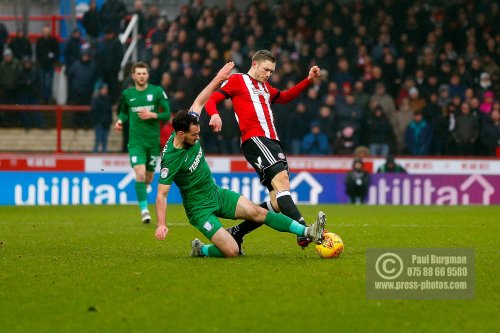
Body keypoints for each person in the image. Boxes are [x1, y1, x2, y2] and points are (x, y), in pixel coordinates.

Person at [155, 62, 326, 257]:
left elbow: (201, 100)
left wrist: (219, 78)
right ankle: (201, 250)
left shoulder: (190, 124)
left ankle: (306, 231)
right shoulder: (170, 158)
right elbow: (161, 194)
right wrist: (161, 224)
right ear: (179, 134)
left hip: (216, 194)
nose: (197, 138)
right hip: (199, 209)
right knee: (232, 251)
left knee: (258, 213)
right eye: (194, 135)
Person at [203, 49, 321, 249]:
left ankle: (237, 233)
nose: (268, 74)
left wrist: (307, 80)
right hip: (255, 139)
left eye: (272, 72)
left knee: (276, 200)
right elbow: (212, 99)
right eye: (266, 69)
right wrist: (214, 114)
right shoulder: (238, 80)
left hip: (272, 141)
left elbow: (284, 97)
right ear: (254, 63)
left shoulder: (265, 87)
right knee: (282, 182)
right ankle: (304, 230)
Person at [114, 62, 172, 223]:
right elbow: (124, 112)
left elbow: (167, 114)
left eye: (144, 73)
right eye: (138, 73)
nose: (141, 76)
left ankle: (145, 185)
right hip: (135, 142)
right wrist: (119, 121)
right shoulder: (127, 94)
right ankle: (144, 211)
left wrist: (153, 115)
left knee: (148, 178)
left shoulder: (157, 91)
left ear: (148, 75)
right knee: (139, 172)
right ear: (133, 76)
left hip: (152, 142)